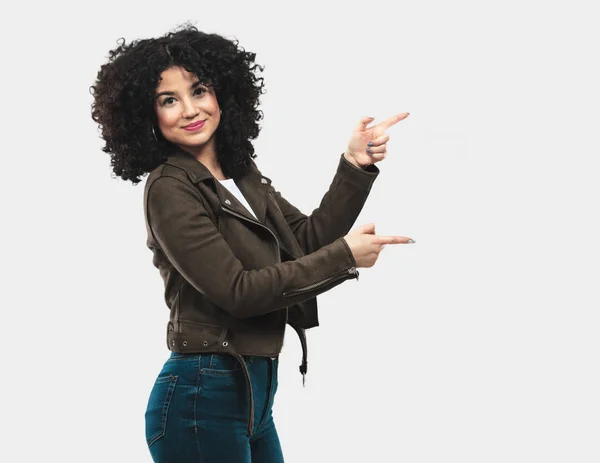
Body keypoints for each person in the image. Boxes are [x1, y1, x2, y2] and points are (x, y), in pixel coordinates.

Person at [90, 23, 414, 463]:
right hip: (203, 397)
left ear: (222, 93)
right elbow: (238, 292)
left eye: (199, 90)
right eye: (169, 100)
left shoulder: (240, 173)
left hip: (253, 396)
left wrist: (354, 165)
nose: (189, 109)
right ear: (146, 116)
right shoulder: (170, 187)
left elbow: (304, 240)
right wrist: (344, 259)